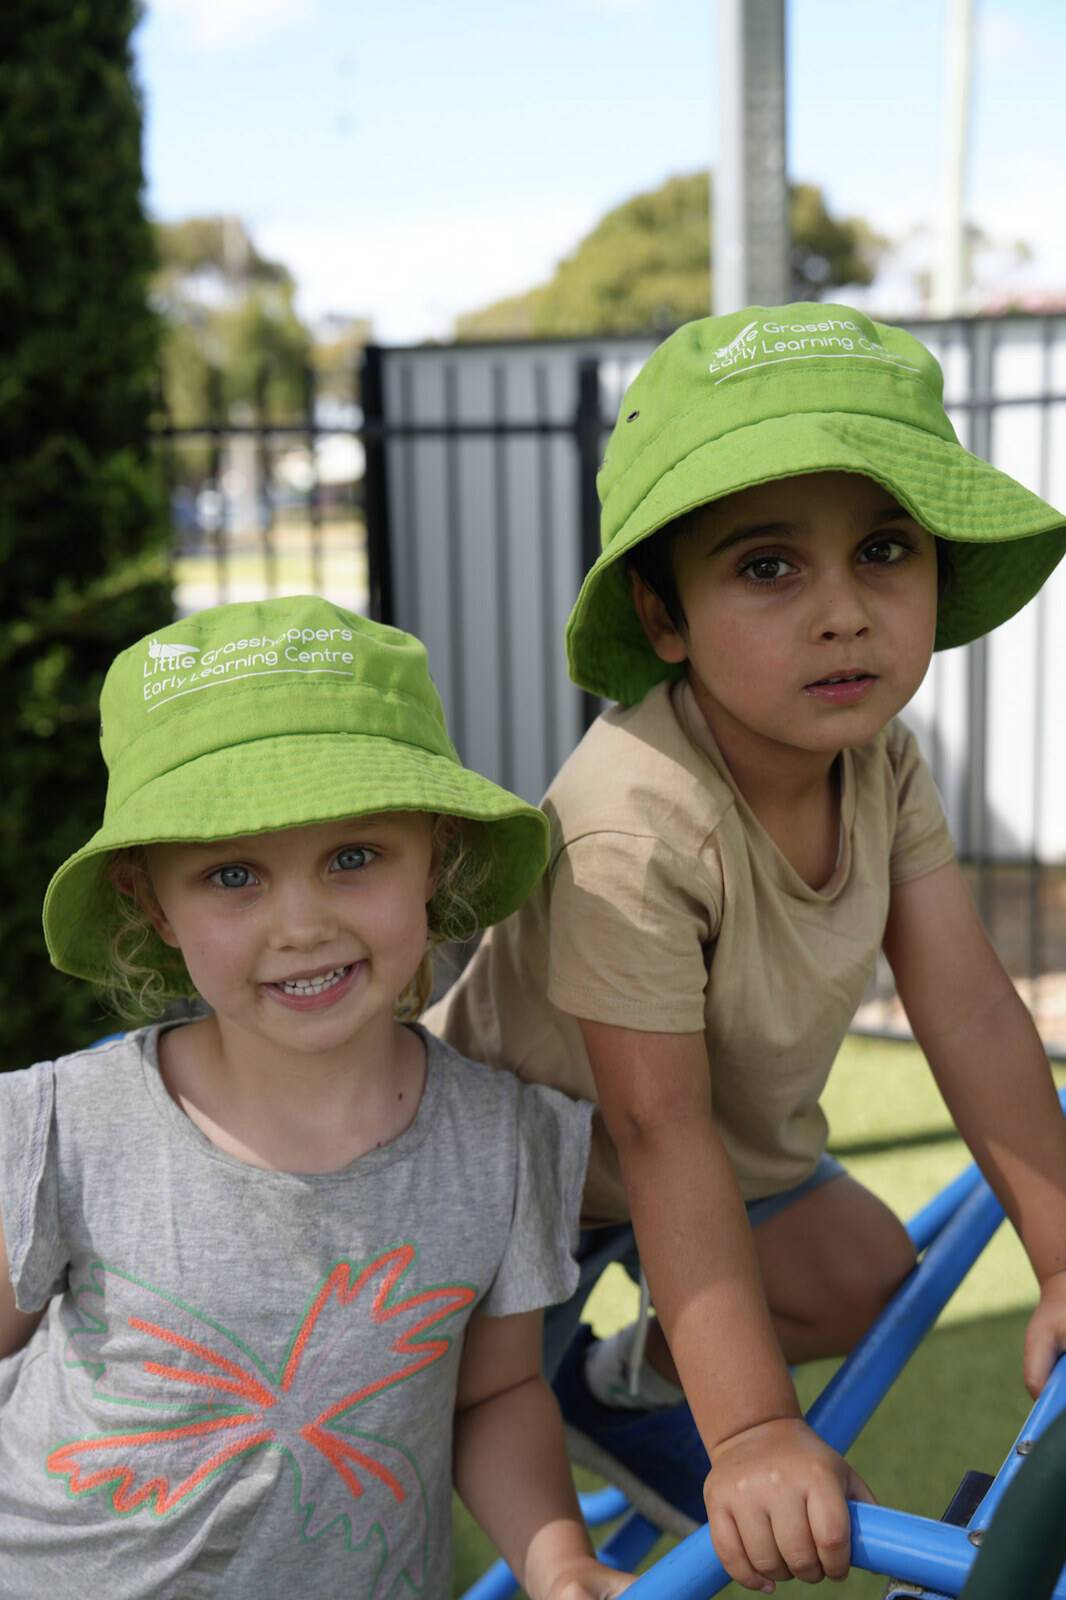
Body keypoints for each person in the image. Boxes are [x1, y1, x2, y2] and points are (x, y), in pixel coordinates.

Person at [427, 302, 1066, 1592]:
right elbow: (654, 1126)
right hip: (511, 1183)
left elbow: (969, 1009)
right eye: (768, 567)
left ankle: (628, 1384)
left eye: (882, 549)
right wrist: (756, 1429)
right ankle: (580, 1447)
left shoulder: (878, 760)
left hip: (700, 1149)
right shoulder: (631, 819)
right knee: (440, 1414)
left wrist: (1059, 1254)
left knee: (862, 1274)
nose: (843, 613)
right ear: (662, 616)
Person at [0, 597, 632, 1600]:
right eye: (232, 874)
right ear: (150, 901)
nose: (300, 924)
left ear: (435, 854)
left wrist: (557, 1561)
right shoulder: (65, 1128)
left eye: (353, 857)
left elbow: (496, 1394)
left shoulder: (502, 1143)